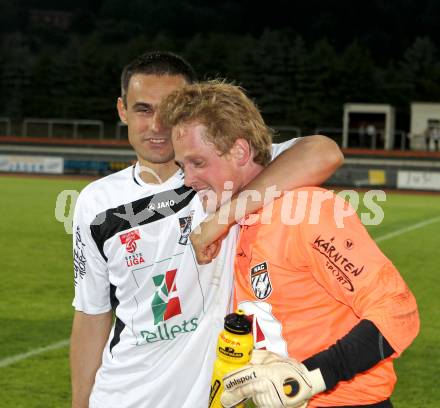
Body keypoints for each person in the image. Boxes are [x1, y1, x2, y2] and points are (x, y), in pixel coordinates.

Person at [70, 51, 344, 408]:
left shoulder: (227, 171)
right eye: (143, 109)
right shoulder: (96, 203)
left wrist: (221, 218)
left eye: (168, 110)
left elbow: (323, 152)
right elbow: (91, 317)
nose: (156, 125)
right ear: (122, 110)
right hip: (120, 395)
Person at [158, 80, 420, 408]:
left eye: (198, 163)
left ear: (240, 151)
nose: (188, 178)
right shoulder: (236, 220)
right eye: (182, 166)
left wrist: (309, 377)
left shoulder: (306, 212)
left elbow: (398, 310)